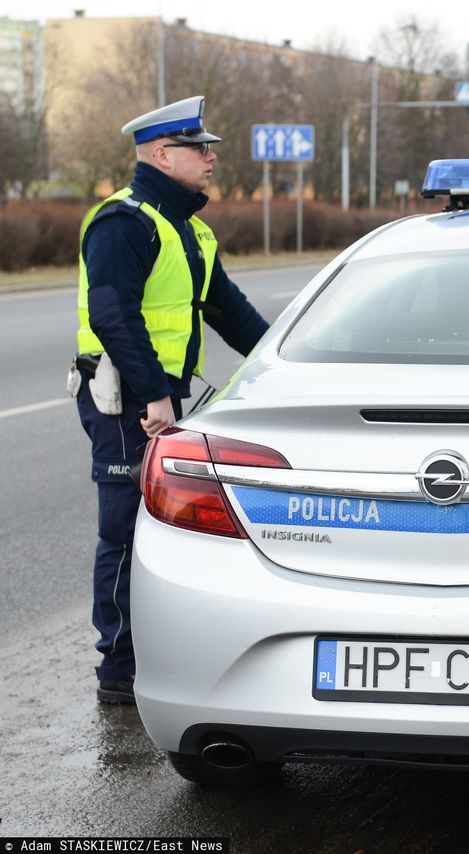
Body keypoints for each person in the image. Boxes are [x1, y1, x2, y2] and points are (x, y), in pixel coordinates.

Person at [74, 96, 269, 704]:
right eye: (198, 147)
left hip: (157, 399)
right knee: (125, 531)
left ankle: (152, 652)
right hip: (126, 396)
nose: (211, 156)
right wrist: (156, 394)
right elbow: (111, 312)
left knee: (165, 527)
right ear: (162, 154)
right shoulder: (122, 222)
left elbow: (228, 311)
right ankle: (118, 669)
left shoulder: (188, 228)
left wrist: (280, 363)